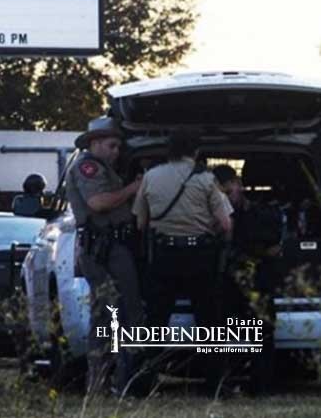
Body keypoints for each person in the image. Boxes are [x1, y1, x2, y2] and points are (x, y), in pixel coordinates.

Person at [132, 131, 233, 396]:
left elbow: (140, 223)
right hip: (200, 257)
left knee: (155, 320)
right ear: (196, 152)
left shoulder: (151, 177)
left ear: (169, 151)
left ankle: (144, 382)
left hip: (164, 257)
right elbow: (225, 224)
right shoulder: (206, 179)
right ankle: (214, 385)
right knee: (210, 320)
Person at [66, 116, 143, 396]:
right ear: (95, 143)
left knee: (111, 314)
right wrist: (132, 189)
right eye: (111, 146)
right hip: (104, 250)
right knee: (117, 314)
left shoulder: (102, 168)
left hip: (110, 248)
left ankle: (107, 384)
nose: (116, 152)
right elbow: (98, 203)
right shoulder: (88, 167)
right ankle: (119, 384)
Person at [213, 164, 279, 395]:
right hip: (223, 281)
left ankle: (262, 385)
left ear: (239, 185)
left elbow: (274, 247)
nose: (226, 200)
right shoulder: (208, 216)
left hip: (256, 279)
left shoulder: (261, 213)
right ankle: (224, 382)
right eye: (219, 196)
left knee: (262, 332)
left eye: (229, 193)